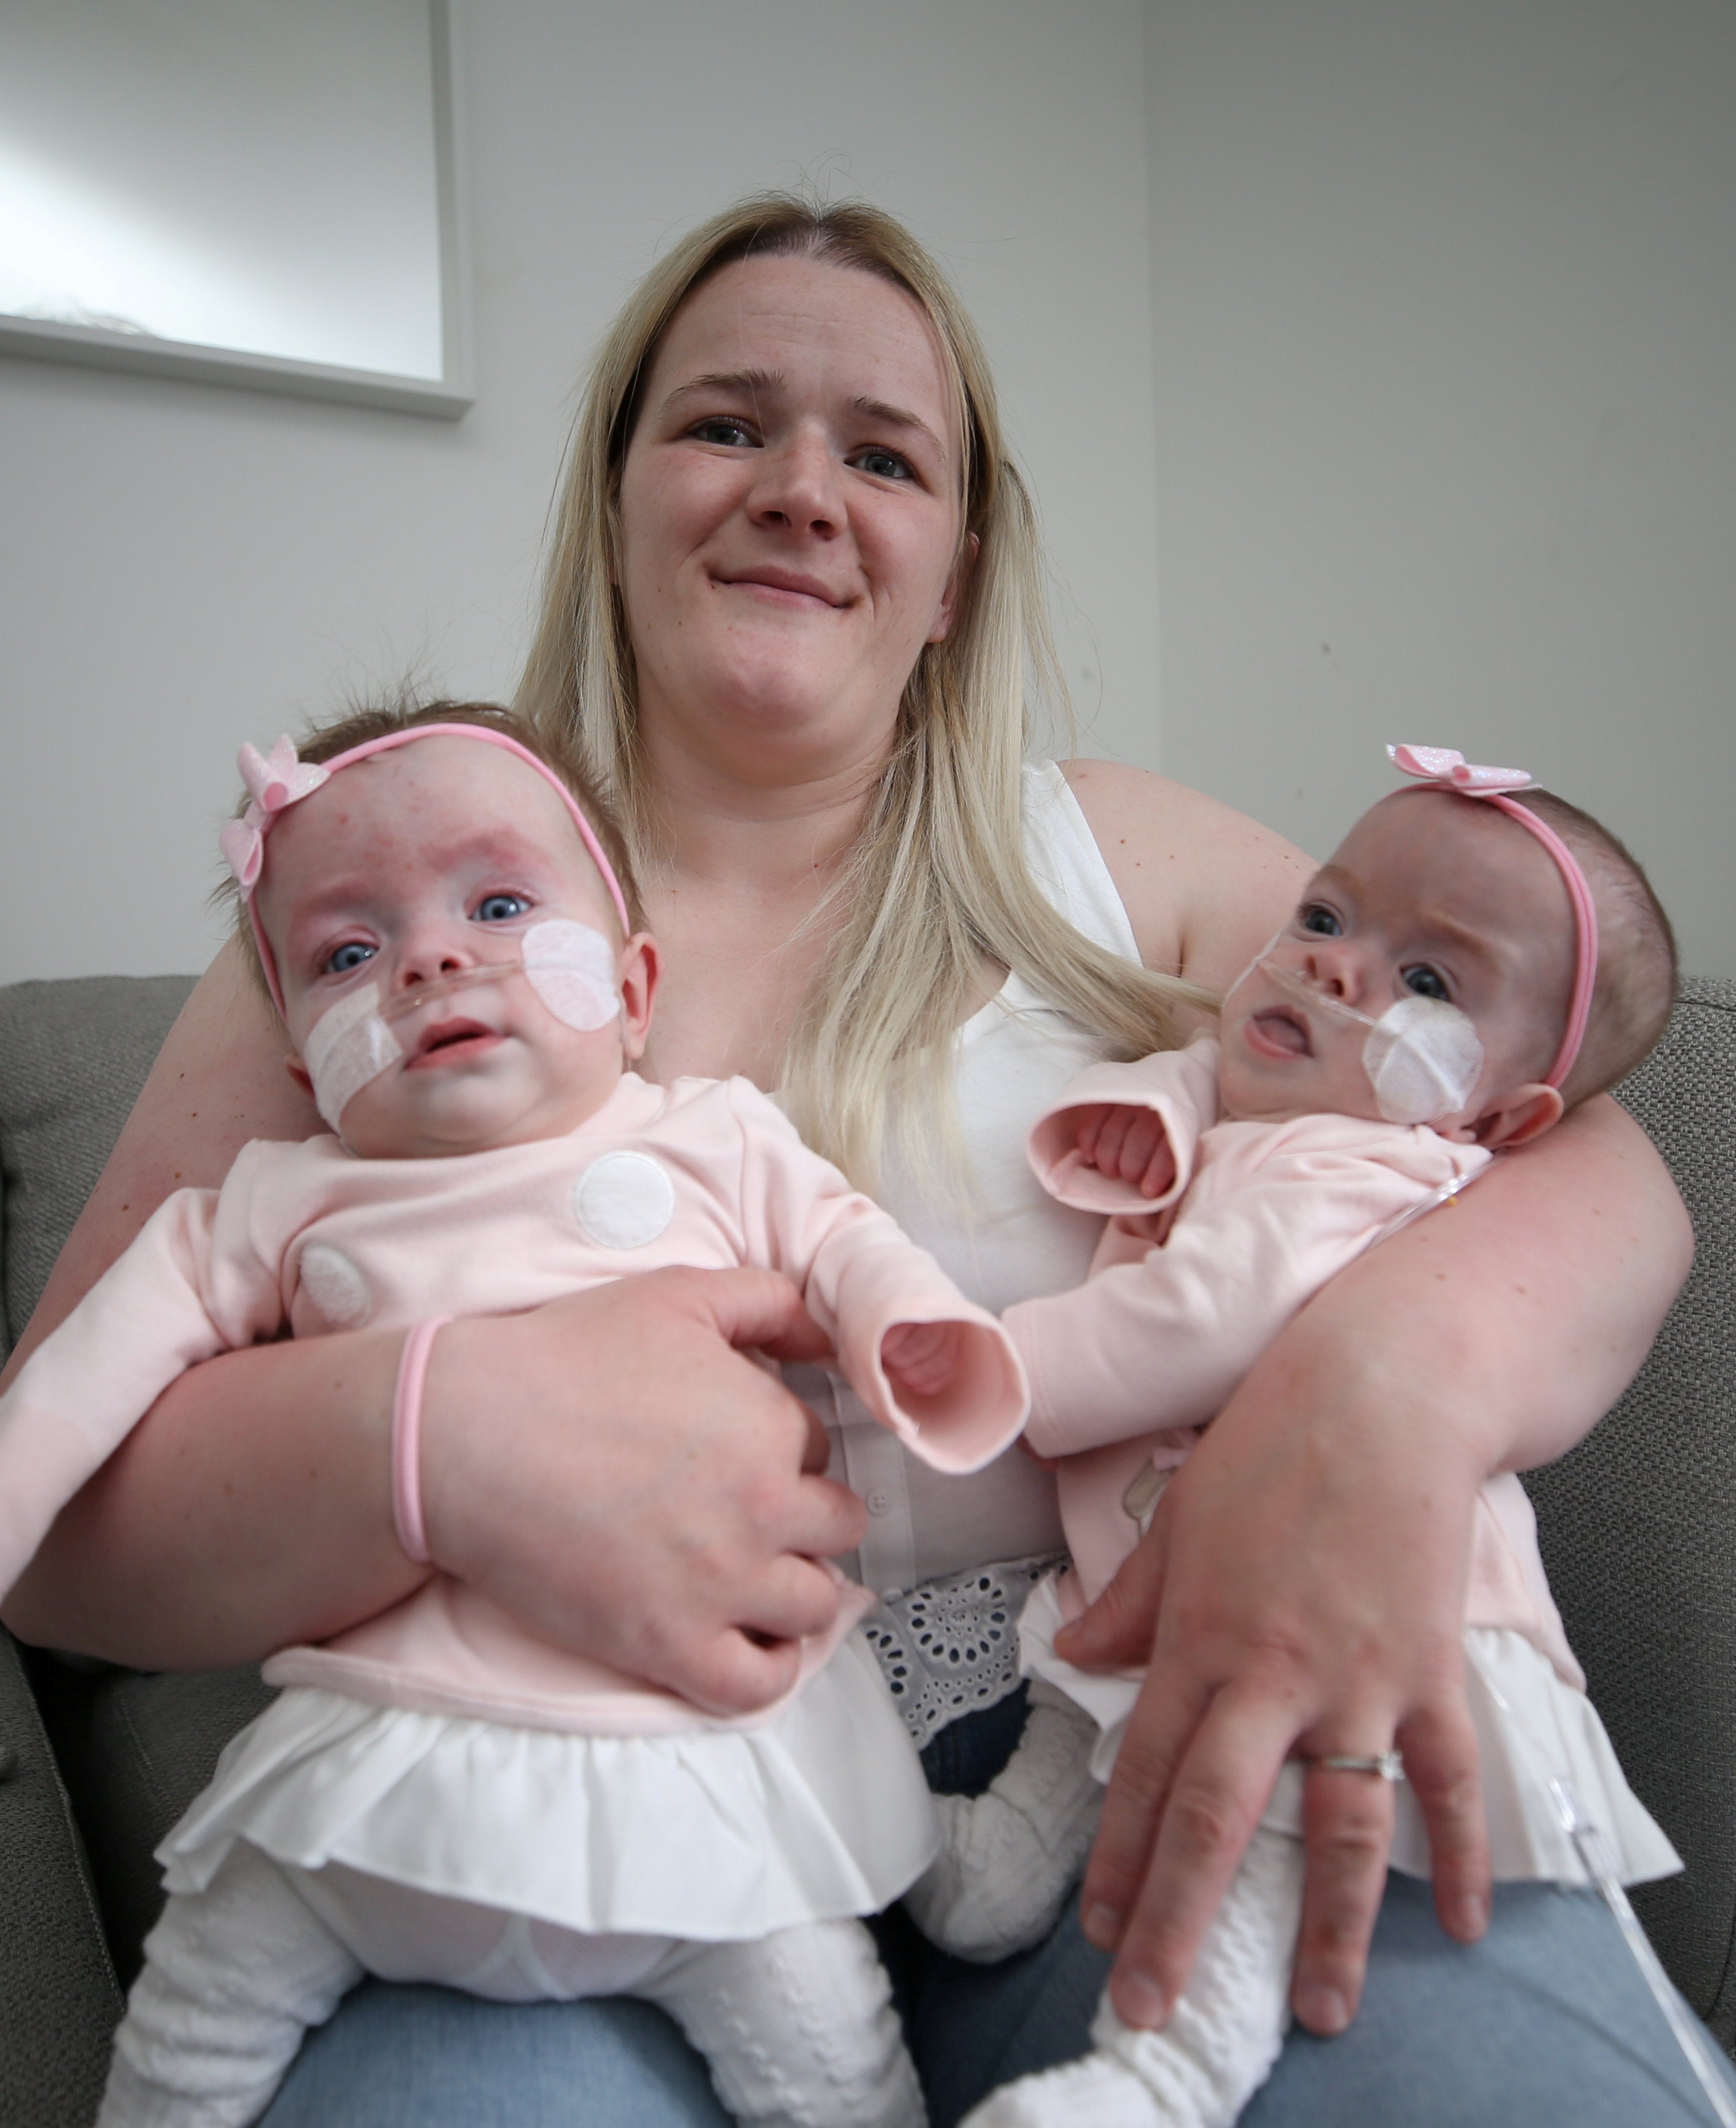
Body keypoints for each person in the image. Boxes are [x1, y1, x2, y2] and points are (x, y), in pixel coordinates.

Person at [0, 195, 1699, 2126]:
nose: (804, 491)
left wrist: (1375, 1402)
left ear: (955, 569)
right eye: (727, 425)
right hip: (566, 1811)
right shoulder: (379, 922)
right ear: (615, 492)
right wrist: (435, 1434)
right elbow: (59, 1534)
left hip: (1088, 1777)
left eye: (883, 456)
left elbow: (1590, 1156)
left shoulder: (1119, 863)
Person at [1, 701, 1039, 2127]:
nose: (430, 957)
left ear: (634, 988)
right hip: (382, 1775)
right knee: (195, 2025)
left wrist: (918, 1338)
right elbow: (67, 1406)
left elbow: (848, 1242)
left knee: (827, 2053)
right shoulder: (269, 1205)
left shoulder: (711, 1136)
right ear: (302, 1067)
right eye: (348, 953)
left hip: (701, 1769)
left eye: (497, 903)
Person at [909, 748, 1692, 2126]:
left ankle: (1172, 2072)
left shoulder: (1368, 1166)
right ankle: (1000, 1867)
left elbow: (1200, 1316)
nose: (1335, 967)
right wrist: (1166, 1107)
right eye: (1324, 919)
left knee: (1261, 1857)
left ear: (1499, 1118)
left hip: (1352, 1630)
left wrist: (998, 1366)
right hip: (1132, 1596)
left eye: (1429, 983)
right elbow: (1188, 1081)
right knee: (1089, 1677)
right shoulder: (1268, 1114)